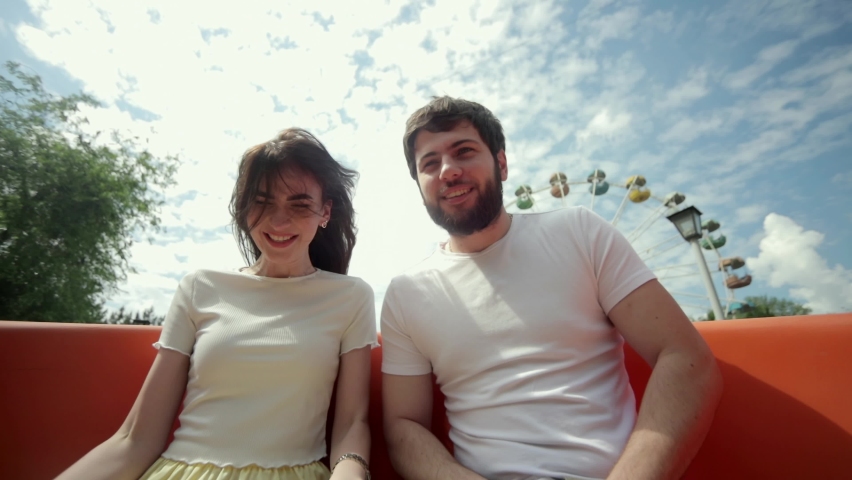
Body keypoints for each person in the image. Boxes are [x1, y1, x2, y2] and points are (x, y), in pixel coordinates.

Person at [381, 97, 723, 480]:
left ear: (502, 163)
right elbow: (403, 425)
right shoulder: (405, 294)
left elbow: (684, 358)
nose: (448, 171)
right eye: (430, 164)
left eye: (464, 151)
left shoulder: (580, 233)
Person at [58, 128, 377, 480]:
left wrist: (349, 472)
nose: (279, 220)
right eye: (262, 201)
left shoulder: (350, 297)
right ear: (243, 209)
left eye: (299, 204)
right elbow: (136, 439)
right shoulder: (200, 287)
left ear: (325, 212)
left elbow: (352, 423)